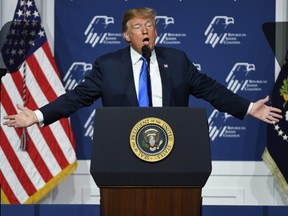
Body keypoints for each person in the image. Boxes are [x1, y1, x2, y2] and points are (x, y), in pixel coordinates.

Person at [3, 7, 282, 128]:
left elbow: (211, 90)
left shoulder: (177, 60)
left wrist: (247, 108)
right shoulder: (108, 65)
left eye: (149, 25)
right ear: (127, 35)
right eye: (138, 27)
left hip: (173, 148)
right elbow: (76, 98)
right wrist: (38, 115)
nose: (145, 30)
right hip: (123, 151)